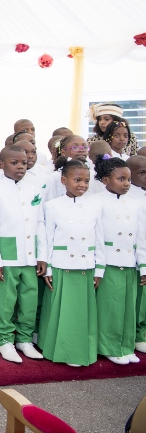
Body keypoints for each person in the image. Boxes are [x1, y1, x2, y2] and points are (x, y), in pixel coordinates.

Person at [0, 146, 45, 364]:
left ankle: (25, 339)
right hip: (6, 256)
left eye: (24, 163)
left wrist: (42, 255)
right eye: (14, 162)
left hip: (30, 256)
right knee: (5, 301)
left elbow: (40, 223)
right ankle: (5, 340)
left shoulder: (35, 190)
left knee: (29, 300)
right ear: (1, 165)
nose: (20, 166)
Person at [39, 159, 103, 367]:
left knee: (80, 313)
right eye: (77, 180)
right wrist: (47, 267)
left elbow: (99, 238)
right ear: (64, 180)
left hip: (85, 265)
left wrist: (99, 268)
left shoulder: (94, 205)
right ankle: (58, 349)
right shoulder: (52, 206)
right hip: (61, 265)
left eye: (86, 181)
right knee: (61, 311)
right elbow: (48, 239)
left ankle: (79, 350)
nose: (82, 185)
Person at [91, 156, 143, 365]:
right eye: (121, 179)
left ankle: (125, 345)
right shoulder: (95, 202)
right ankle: (109, 346)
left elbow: (140, 236)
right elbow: (97, 237)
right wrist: (99, 267)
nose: (127, 184)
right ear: (105, 180)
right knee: (110, 308)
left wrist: (143, 264)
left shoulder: (136, 204)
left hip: (129, 262)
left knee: (128, 308)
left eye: (128, 179)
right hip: (109, 262)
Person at [128, 155, 146, 354]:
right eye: (142, 173)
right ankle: (138, 334)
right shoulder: (130, 198)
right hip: (136, 254)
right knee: (138, 300)